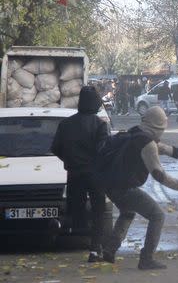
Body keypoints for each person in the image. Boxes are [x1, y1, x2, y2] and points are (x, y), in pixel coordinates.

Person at [101, 106, 178, 270]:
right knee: (157, 216)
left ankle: (109, 250)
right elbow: (160, 176)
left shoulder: (135, 131)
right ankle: (146, 258)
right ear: (159, 128)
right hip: (125, 188)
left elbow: (152, 144)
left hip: (110, 184)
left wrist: (170, 151)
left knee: (127, 212)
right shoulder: (148, 144)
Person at [51, 86, 109, 263]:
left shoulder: (66, 124)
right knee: (99, 211)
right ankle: (95, 249)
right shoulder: (100, 125)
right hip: (95, 175)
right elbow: (103, 151)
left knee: (77, 209)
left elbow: (56, 149)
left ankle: (72, 239)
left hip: (74, 174)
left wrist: (71, 161)